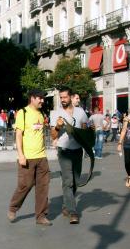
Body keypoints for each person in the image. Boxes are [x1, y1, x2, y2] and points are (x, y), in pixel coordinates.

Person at [7, 88, 51, 226]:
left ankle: (41, 216)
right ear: (32, 98)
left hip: (42, 157)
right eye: (40, 98)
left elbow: (40, 133)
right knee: (25, 185)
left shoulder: (41, 113)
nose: (42, 101)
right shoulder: (23, 113)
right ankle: (13, 208)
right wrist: (20, 154)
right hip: (27, 157)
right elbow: (18, 135)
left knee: (43, 187)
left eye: (43, 98)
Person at [50, 86, 88, 224]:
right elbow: (53, 135)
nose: (63, 100)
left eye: (65, 97)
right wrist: (58, 127)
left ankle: (66, 206)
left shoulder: (81, 112)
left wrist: (88, 132)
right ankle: (73, 212)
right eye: (61, 97)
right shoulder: (56, 113)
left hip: (78, 150)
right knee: (68, 181)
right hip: (64, 150)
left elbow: (85, 129)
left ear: (71, 97)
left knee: (75, 181)